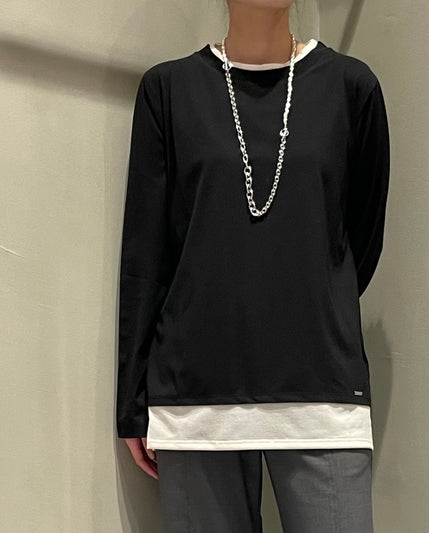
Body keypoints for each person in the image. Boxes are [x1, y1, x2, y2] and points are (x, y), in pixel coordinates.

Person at [116, 1, 390, 531]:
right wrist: (132, 403)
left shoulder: (351, 88)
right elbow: (146, 257)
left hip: (322, 394)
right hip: (194, 398)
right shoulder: (168, 91)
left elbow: (356, 243)